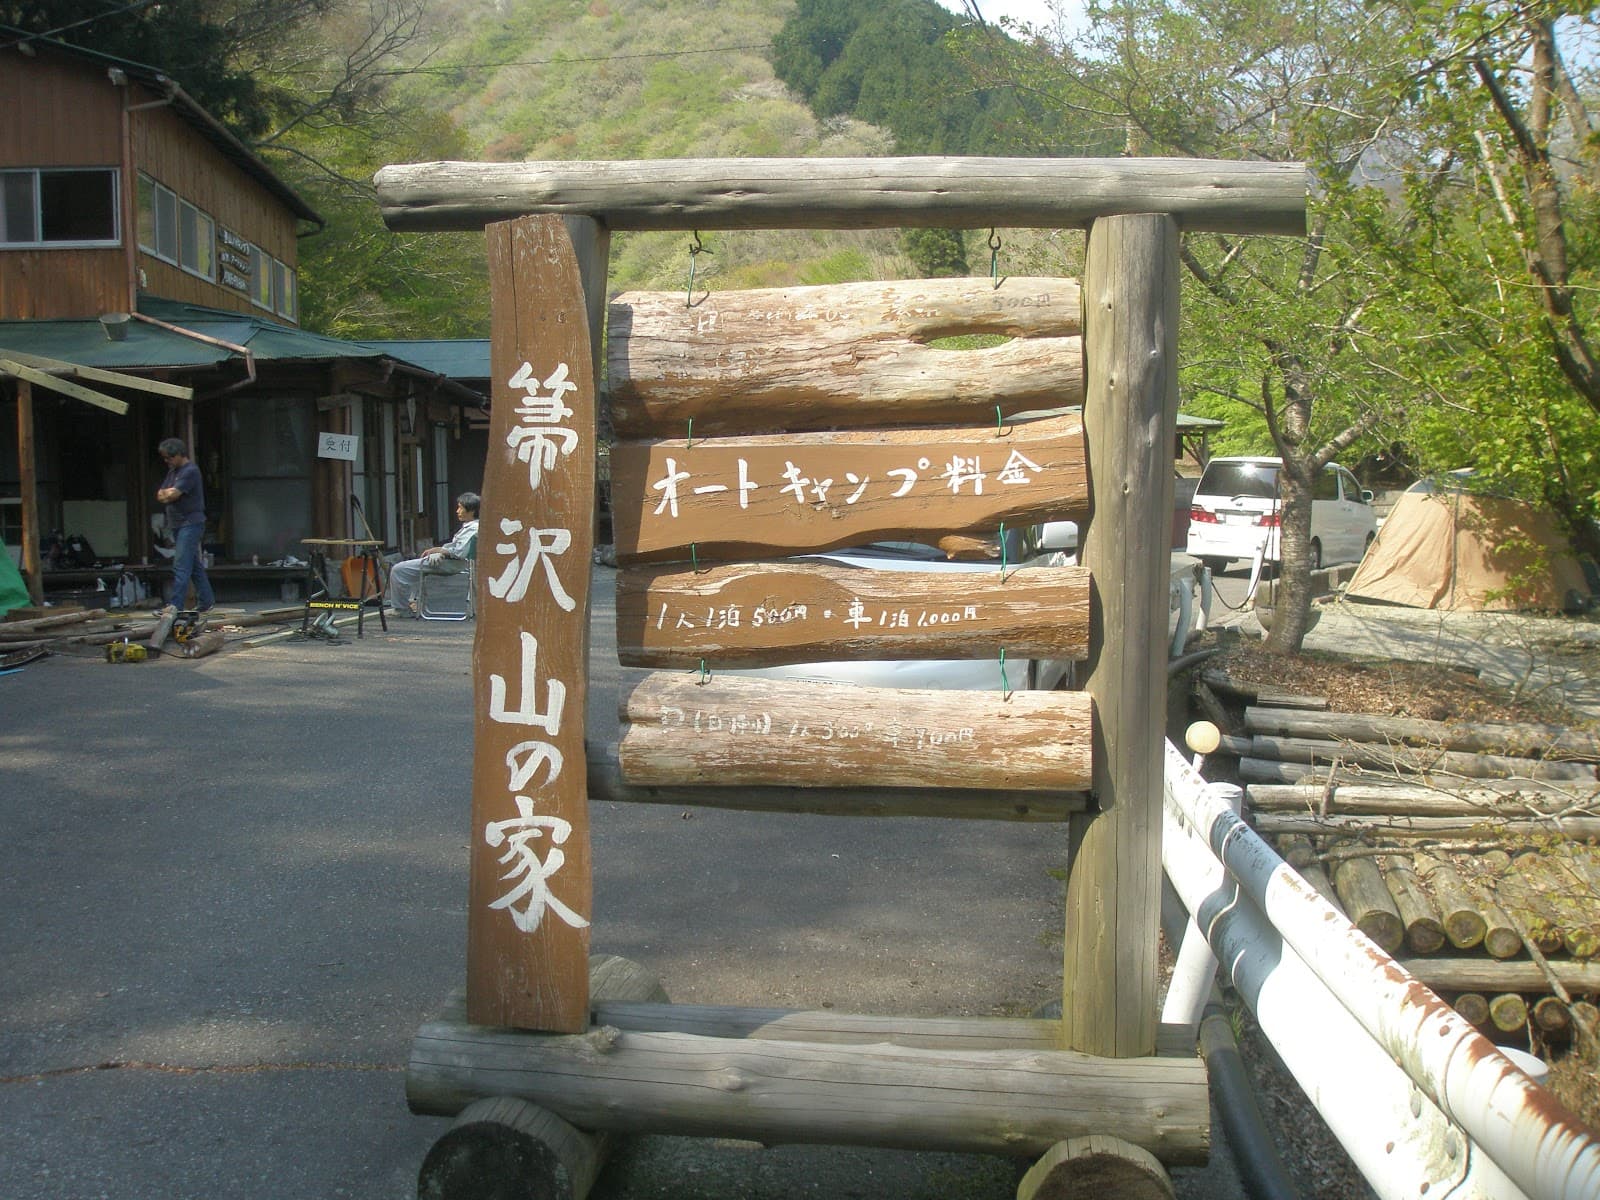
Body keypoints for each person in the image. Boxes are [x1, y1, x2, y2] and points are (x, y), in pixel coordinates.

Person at [387, 492, 479, 615]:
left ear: (471, 511)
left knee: (399, 569)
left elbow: (460, 552)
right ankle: (411, 602)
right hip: (452, 562)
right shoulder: (471, 526)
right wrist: (440, 550)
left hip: (452, 563)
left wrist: (440, 551)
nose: (457, 511)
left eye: (460, 507)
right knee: (412, 567)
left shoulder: (473, 528)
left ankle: (401, 609)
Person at [155, 437, 214, 613]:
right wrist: (168, 494)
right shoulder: (173, 471)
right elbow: (160, 494)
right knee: (193, 565)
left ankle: (175, 605)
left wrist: (169, 494)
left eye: (169, 458)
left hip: (190, 522)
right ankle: (206, 600)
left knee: (181, 564)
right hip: (178, 523)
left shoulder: (190, 471)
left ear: (179, 455)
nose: (167, 461)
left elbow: (173, 495)